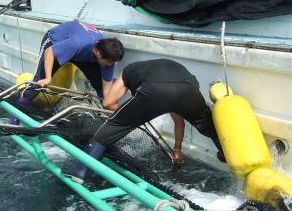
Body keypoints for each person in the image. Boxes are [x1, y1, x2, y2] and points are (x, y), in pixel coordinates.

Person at [62, 59, 224, 184]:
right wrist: (177, 150)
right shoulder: (179, 74)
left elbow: (108, 102)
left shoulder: (129, 70)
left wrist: (130, 118)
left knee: (113, 126)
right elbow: (179, 121)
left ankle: (79, 171)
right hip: (189, 90)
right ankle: (226, 155)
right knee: (208, 126)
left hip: (154, 89)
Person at [11, 20, 124, 124]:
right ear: (99, 53)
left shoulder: (109, 58)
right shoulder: (78, 43)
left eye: (112, 62)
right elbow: (50, 52)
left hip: (82, 53)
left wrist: (120, 114)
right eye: (109, 62)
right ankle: (16, 113)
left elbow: (107, 93)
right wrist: (48, 78)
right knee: (39, 81)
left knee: (99, 85)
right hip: (54, 43)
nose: (110, 65)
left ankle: (110, 121)